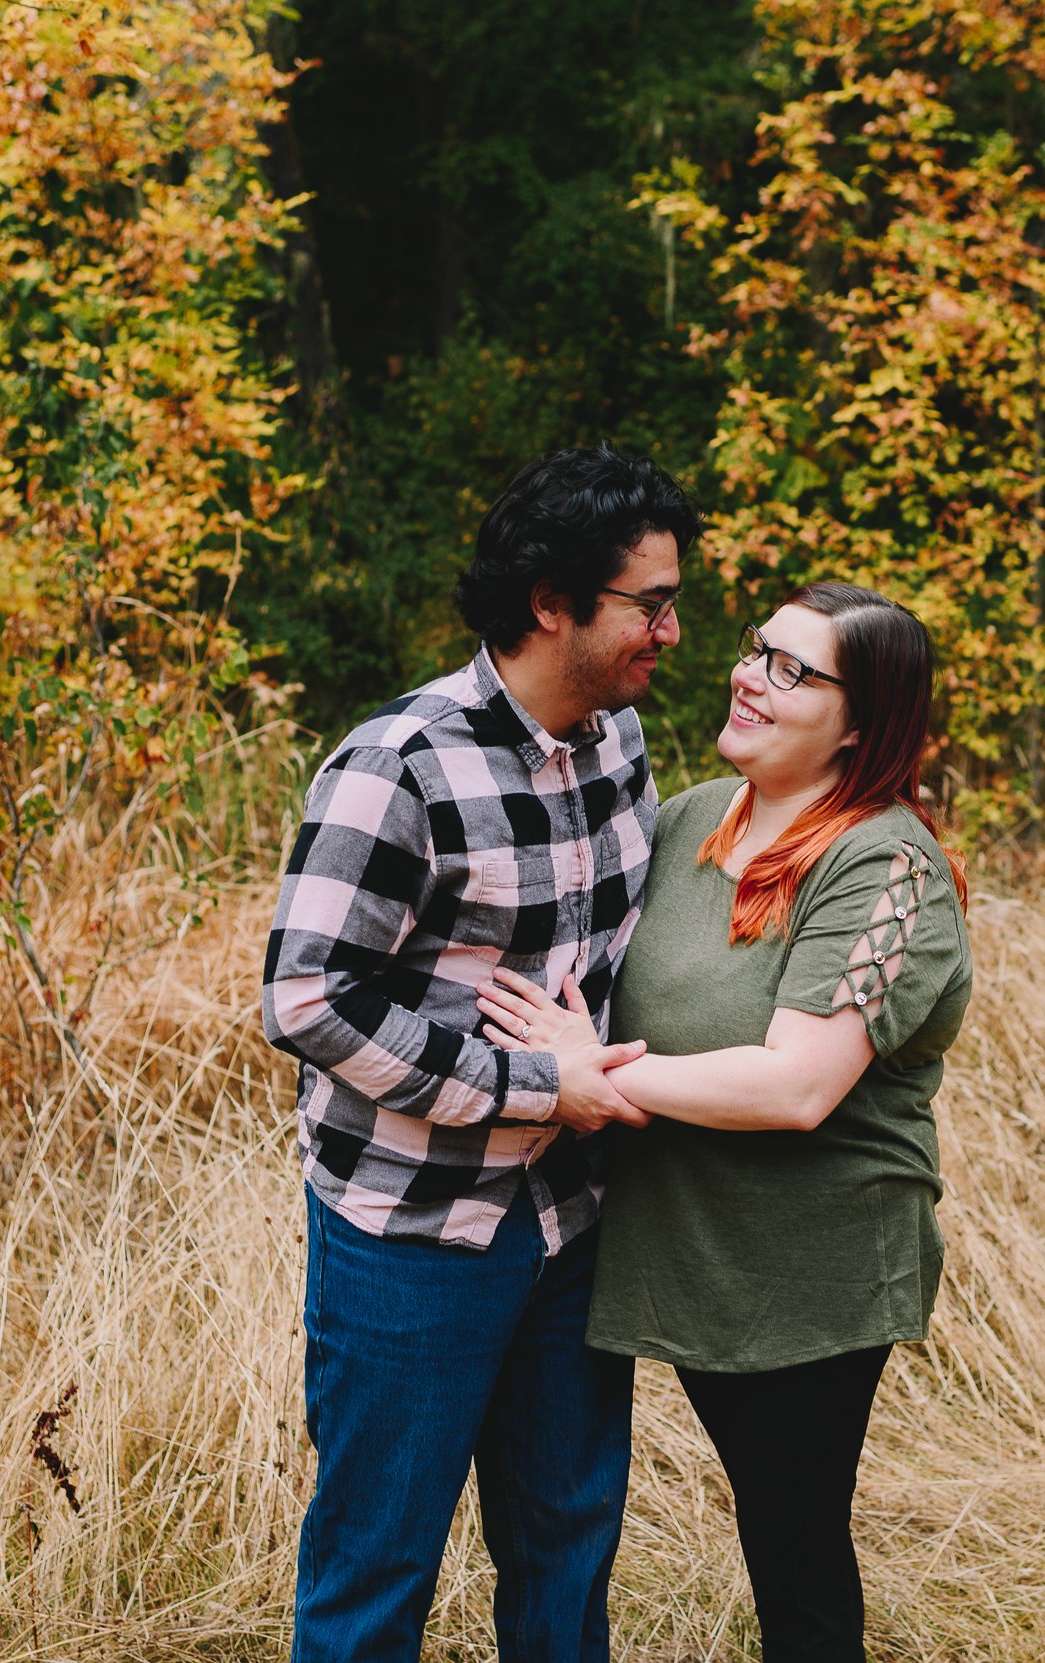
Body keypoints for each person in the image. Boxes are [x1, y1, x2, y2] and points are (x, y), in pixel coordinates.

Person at [476, 581, 975, 1663]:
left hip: (808, 1266)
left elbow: (797, 1084)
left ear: (863, 721)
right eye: (759, 651)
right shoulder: (696, 816)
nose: (750, 674)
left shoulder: (885, 865)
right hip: (683, 1248)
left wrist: (592, 1078)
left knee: (793, 1553)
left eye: (796, 670)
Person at [259, 444, 698, 1663]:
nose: (671, 627)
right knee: (374, 1568)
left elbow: (613, 962)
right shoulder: (396, 766)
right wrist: (531, 1083)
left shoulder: (619, 744)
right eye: (648, 603)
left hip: (572, 1220)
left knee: (567, 1547)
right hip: (412, 1235)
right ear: (552, 602)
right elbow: (305, 997)